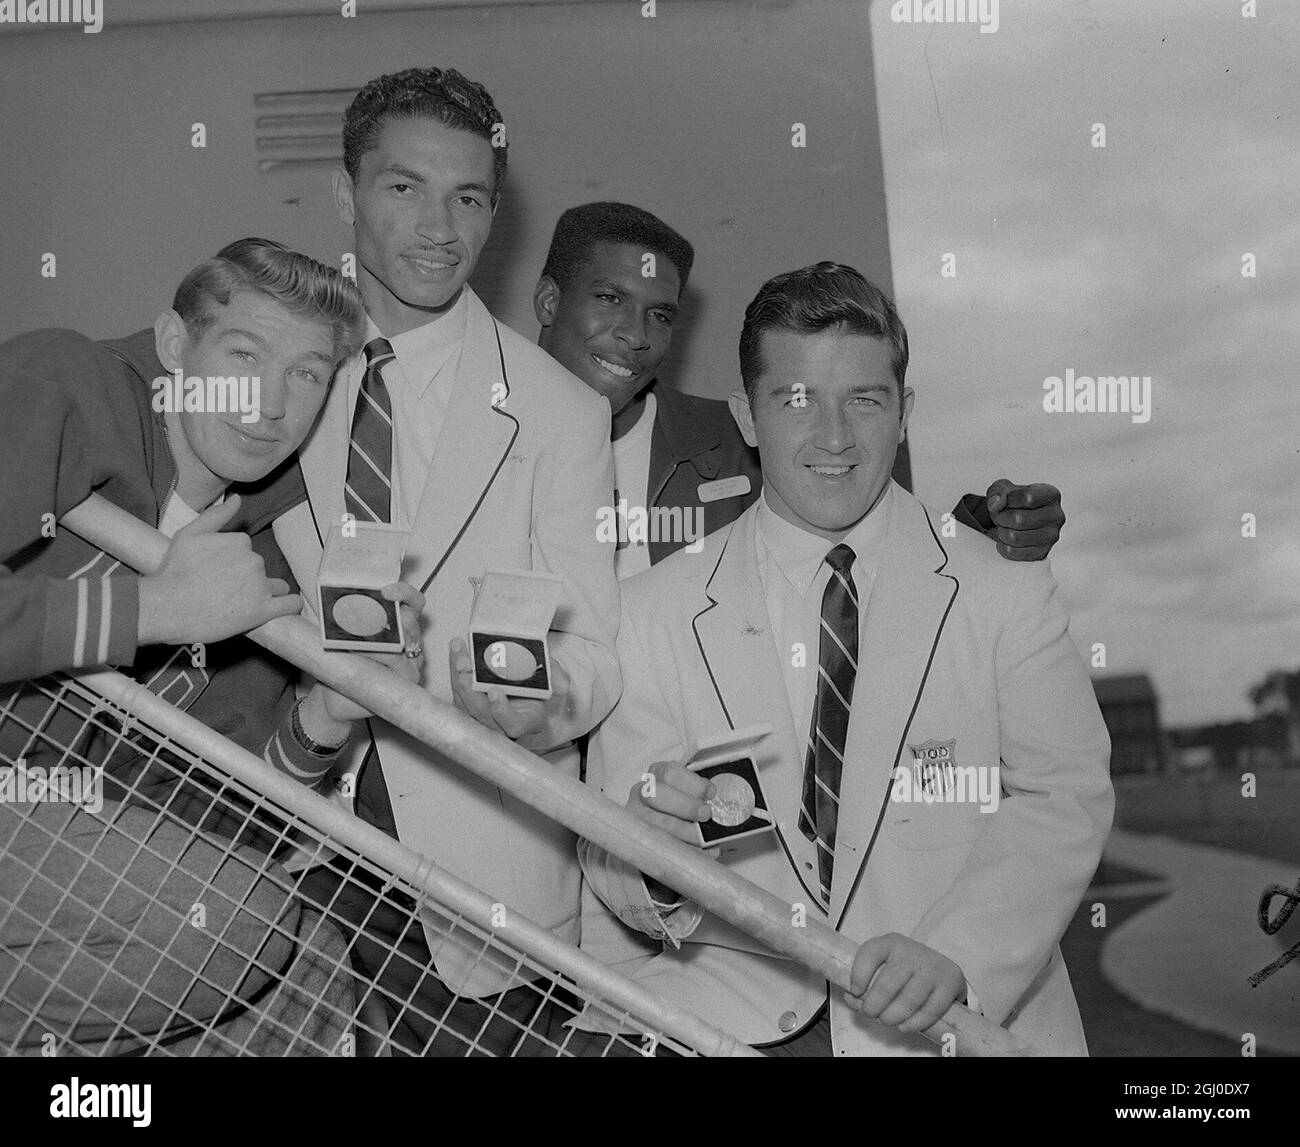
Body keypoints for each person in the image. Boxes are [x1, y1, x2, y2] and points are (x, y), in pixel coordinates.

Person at [578, 262, 1114, 1056]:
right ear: (747, 417)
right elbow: (608, 854)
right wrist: (656, 863)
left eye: (864, 398)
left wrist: (959, 959)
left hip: (956, 1023)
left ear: (904, 413)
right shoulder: (653, 611)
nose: (834, 437)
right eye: (796, 400)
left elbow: (1064, 793)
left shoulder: (999, 585)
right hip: (726, 1028)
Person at [277, 68, 622, 1056]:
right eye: (404, 188)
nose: (440, 226)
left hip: (481, 887)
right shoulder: (270, 362)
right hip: (279, 844)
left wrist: (532, 703)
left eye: (468, 197)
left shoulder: (562, 412)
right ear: (347, 195)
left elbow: (594, 652)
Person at [0, 237, 413, 1054]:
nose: (268, 405)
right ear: (173, 346)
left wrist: (326, 717)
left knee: (305, 959)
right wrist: (150, 606)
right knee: (242, 917)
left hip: (58, 849)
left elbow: (217, 820)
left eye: (305, 375)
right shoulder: (64, 382)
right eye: (244, 355)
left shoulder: (268, 553)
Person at [533, 201, 1068, 573]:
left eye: (660, 315)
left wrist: (989, 530)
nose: (635, 334)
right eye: (609, 298)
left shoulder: (742, 434)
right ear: (549, 301)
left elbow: (873, 539)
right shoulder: (466, 433)